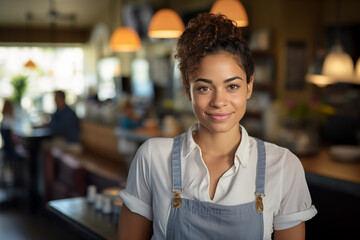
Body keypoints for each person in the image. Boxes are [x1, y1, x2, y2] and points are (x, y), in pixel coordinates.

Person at [118, 13, 317, 240]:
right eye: (204, 88)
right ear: (187, 89)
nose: (219, 101)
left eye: (232, 86)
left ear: (249, 87)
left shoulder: (283, 166)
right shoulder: (152, 157)